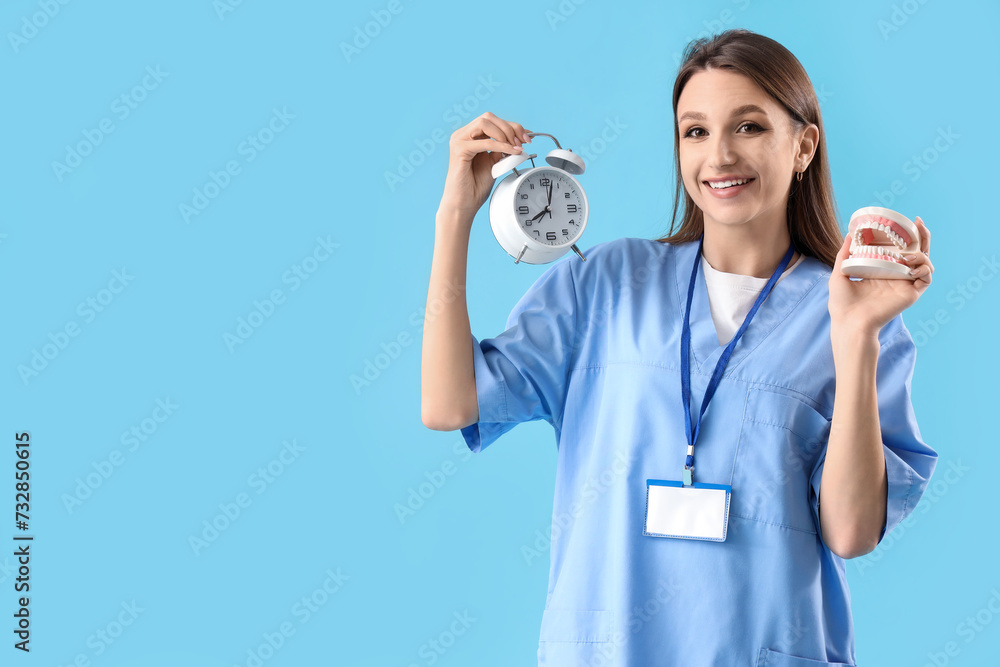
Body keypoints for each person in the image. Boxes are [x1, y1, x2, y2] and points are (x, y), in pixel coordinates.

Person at [421, 28, 937, 667]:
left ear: (803, 146)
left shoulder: (851, 312)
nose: (718, 155)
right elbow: (449, 405)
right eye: (695, 131)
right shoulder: (606, 284)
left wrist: (856, 336)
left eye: (747, 126)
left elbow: (852, 532)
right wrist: (455, 215)